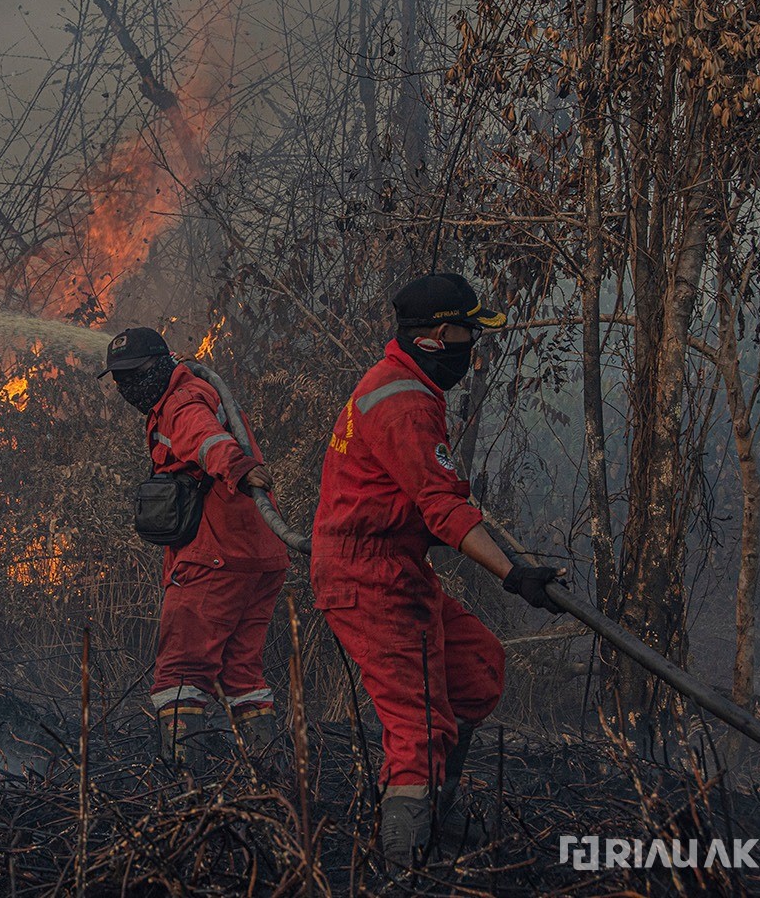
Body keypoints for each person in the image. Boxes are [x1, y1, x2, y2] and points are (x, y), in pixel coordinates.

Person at [309, 273, 565, 868]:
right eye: (467, 335)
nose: (471, 350)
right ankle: (400, 865)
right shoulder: (402, 402)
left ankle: (431, 822)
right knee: (419, 727)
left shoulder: (404, 386)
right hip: (367, 578)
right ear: (436, 335)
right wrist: (515, 573)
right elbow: (442, 506)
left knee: (476, 669)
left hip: (396, 567)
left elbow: (430, 503)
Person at [100, 326, 290, 769]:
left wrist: (238, 468)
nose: (127, 387)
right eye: (118, 379)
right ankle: (272, 781)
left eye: (133, 375)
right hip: (260, 556)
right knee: (242, 674)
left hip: (215, 558)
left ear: (162, 365)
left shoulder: (182, 402)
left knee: (180, 675)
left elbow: (206, 441)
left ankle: (185, 793)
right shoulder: (192, 391)